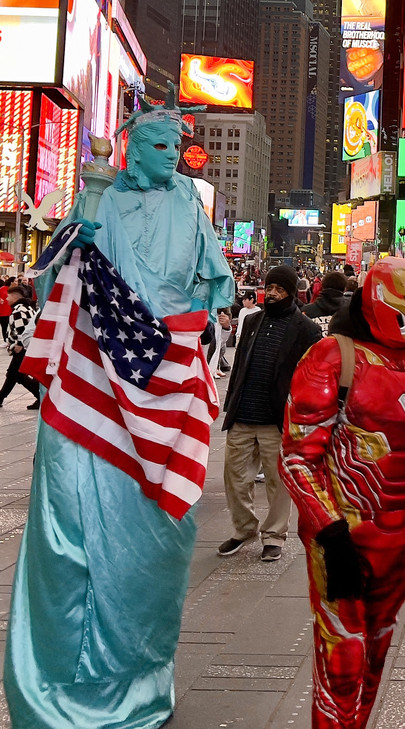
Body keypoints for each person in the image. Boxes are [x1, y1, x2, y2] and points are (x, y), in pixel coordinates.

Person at [5, 93, 235, 729]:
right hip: (90, 388)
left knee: (155, 542)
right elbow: (49, 285)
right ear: (131, 150)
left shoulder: (189, 202)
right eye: (159, 145)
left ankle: (139, 686)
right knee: (70, 535)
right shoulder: (96, 197)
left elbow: (211, 287)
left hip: (165, 385)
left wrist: (189, 326)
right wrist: (74, 237)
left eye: (177, 145)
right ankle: (57, 691)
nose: (172, 156)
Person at [281, 257, 405, 729]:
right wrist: (330, 535)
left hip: (401, 541)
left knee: (373, 660)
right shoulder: (333, 357)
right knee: (343, 662)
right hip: (343, 541)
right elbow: (297, 457)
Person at [219, 265, 321, 562]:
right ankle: (244, 529)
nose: (273, 293)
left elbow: (312, 377)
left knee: (277, 482)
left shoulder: (306, 329)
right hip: (243, 414)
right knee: (235, 477)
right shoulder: (253, 320)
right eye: (270, 288)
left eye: (279, 289)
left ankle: (274, 535)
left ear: (291, 292)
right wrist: (231, 402)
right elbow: (240, 364)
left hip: (277, 419)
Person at [0, 284, 39, 409]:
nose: (7, 299)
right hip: (25, 347)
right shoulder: (26, 307)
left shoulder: (19, 311)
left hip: (21, 348)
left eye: (9, 296)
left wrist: (19, 344)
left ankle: (40, 396)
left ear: (15, 297)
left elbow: (22, 330)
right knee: (15, 375)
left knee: (15, 374)